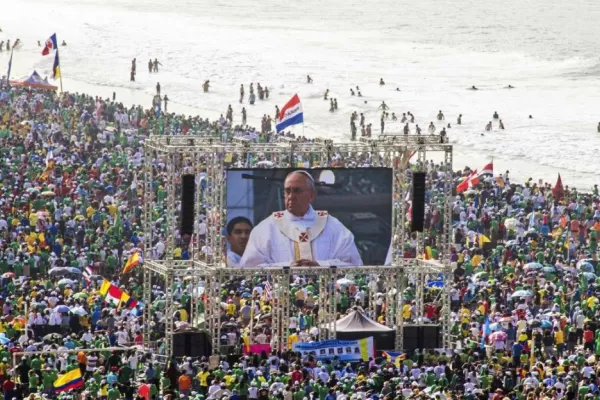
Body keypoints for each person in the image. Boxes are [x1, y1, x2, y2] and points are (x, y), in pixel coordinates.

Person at [239, 171, 363, 267]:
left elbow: (353, 265)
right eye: (288, 191)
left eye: (297, 191)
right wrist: (287, 268)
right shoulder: (265, 229)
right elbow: (249, 268)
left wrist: (320, 266)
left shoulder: (333, 227)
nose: (291, 197)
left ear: (312, 195)